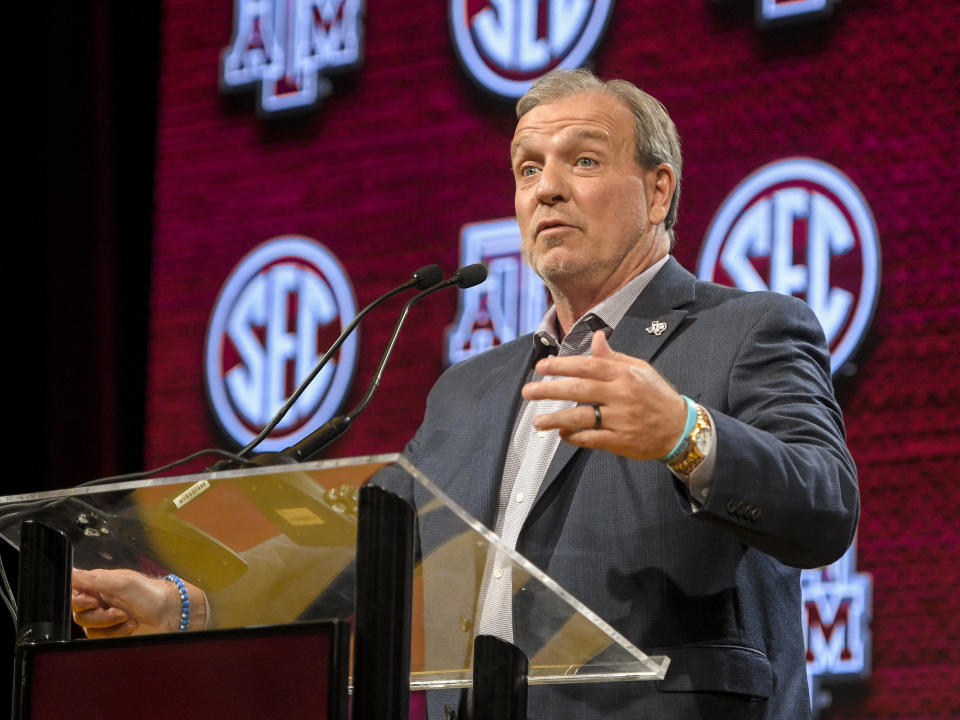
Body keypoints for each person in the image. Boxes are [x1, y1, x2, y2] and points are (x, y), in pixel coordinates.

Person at [72, 69, 858, 719]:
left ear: (658, 193)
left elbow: (825, 507)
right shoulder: (470, 390)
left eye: (581, 162)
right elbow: (361, 552)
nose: (546, 190)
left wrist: (685, 433)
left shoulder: (747, 329)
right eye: (527, 169)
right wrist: (190, 607)